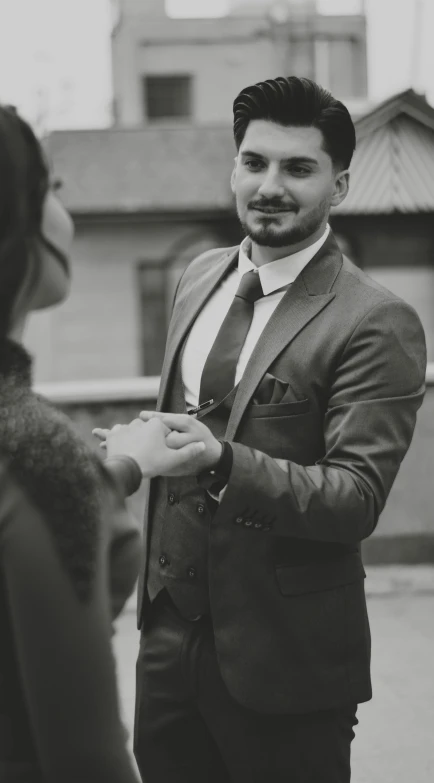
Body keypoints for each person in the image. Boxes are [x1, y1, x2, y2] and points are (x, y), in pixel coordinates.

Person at [96, 77, 427, 783]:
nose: (269, 185)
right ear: (234, 167)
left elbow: (355, 498)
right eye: (254, 162)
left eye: (297, 168)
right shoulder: (198, 275)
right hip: (165, 636)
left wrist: (222, 461)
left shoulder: (377, 320)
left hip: (287, 658)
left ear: (339, 186)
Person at [0, 92, 204, 783]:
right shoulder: (35, 454)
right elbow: (87, 760)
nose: (64, 215)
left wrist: (120, 467)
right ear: (6, 222)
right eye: (55, 190)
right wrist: (84, 479)